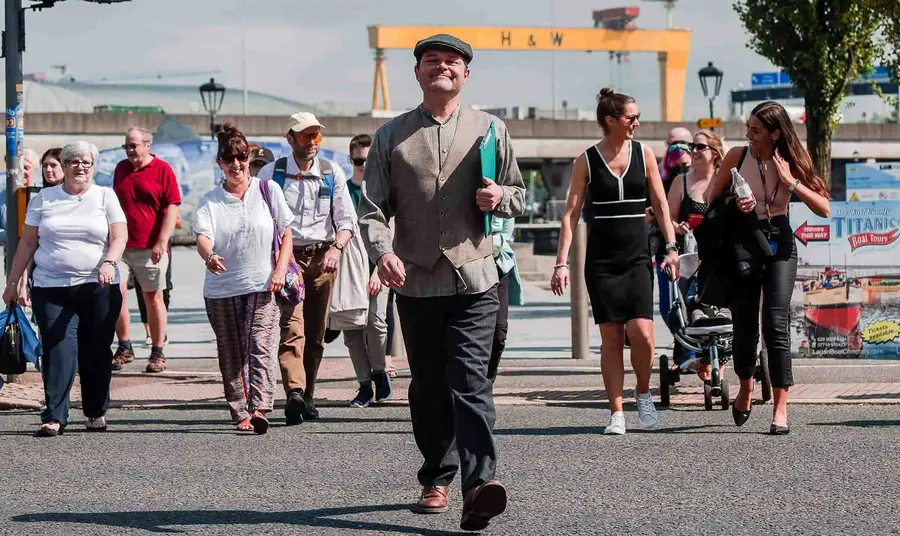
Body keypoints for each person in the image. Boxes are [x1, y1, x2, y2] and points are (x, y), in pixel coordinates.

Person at [358, 34, 525, 531]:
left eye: (453, 62)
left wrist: (501, 197)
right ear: (418, 73)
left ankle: (479, 486)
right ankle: (437, 474)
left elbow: (517, 193)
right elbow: (370, 211)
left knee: (471, 380)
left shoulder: (491, 130)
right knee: (429, 386)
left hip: (476, 274)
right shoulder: (391, 136)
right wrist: (382, 253)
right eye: (432, 61)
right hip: (416, 280)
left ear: (466, 74)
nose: (443, 68)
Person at [551, 88, 679, 436]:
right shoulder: (586, 160)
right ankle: (617, 412)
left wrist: (670, 246)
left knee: (642, 335)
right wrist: (561, 263)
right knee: (611, 338)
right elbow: (570, 215)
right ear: (611, 121)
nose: (637, 123)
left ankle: (642, 391)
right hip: (602, 262)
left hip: (637, 257)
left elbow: (662, 205)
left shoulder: (645, 154)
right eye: (631, 118)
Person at [708, 101, 830, 435]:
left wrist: (792, 184)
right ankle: (746, 386)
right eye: (748, 128)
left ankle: (780, 409)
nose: (749, 135)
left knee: (776, 322)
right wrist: (735, 201)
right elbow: (709, 198)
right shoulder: (737, 156)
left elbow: (824, 209)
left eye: (756, 130)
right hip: (744, 243)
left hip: (780, 243)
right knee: (745, 325)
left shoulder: (791, 160)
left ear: (775, 133)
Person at [2, 141, 126, 437]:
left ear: (93, 167)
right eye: (73, 162)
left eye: (86, 162)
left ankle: (95, 410)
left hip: (98, 285)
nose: (80, 167)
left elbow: (120, 236)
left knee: (96, 350)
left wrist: (110, 262)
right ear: (65, 165)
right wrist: (12, 282)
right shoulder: (44, 198)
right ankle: (55, 415)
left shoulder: (105, 196)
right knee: (58, 348)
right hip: (51, 286)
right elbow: (28, 243)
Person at [193, 123, 294, 434]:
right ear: (219, 163)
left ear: (249, 157)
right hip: (222, 289)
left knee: (259, 345)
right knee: (231, 352)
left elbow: (286, 232)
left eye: (241, 157)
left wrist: (279, 269)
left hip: (263, 283)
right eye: (228, 159)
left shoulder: (268, 190)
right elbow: (202, 237)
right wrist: (209, 256)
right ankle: (240, 410)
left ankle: (261, 407)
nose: (236, 164)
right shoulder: (210, 199)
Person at [257, 112, 356, 425]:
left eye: (316, 136)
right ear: (290, 139)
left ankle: (308, 396)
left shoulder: (331, 172)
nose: (312, 142)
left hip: (323, 258)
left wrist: (337, 248)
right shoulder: (274, 173)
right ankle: (294, 392)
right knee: (292, 325)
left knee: (315, 332)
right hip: (287, 258)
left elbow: (346, 221)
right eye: (305, 136)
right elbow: (262, 218)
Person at [112, 127, 181, 373]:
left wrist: (162, 241)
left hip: (150, 247)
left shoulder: (162, 170)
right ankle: (124, 346)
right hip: (121, 245)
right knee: (115, 293)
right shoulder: (120, 169)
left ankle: (157, 351)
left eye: (134, 145)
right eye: (127, 146)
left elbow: (172, 207)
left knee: (153, 297)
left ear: (147, 145)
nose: (130, 151)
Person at [337, 134, 392, 408]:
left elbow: (390, 229)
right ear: (351, 160)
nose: (364, 165)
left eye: (369, 160)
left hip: (379, 267)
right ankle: (364, 385)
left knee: (376, 323)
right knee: (352, 330)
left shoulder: (382, 190)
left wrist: (379, 270)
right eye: (359, 161)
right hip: (349, 270)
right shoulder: (344, 192)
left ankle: (380, 370)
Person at [666, 130, 725, 378]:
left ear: (714, 152)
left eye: (700, 146)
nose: (694, 151)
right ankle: (694, 349)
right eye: (692, 146)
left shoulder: (724, 180)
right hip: (689, 249)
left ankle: (718, 351)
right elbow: (666, 216)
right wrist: (675, 226)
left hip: (719, 250)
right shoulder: (682, 181)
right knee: (681, 300)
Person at [487, 215, 523, 382]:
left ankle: (486, 382)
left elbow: (511, 209)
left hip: (499, 261)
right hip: (470, 263)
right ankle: (473, 387)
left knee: (499, 332)